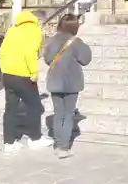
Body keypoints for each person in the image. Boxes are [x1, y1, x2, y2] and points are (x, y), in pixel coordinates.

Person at [0, 9, 53, 153]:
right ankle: (35, 138)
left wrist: (5, 69)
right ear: (39, 20)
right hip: (23, 75)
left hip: (8, 74)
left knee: (10, 108)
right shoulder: (33, 30)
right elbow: (30, 52)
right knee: (35, 106)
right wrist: (33, 72)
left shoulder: (13, 28)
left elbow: (2, 51)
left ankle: (9, 142)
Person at [44, 13, 92, 158]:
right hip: (71, 83)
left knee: (58, 114)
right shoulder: (77, 42)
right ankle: (64, 148)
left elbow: (47, 59)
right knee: (68, 114)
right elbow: (86, 59)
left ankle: (58, 144)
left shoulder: (51, 41)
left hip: (55, 82)